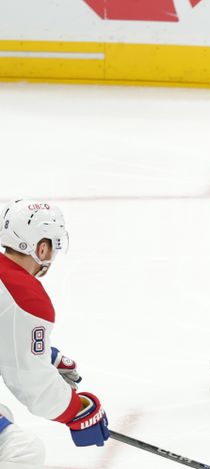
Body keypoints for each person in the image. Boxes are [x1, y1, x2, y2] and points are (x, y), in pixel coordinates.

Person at [0, 200, 109, 467]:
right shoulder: (24, 295)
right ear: (42, 247)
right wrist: (76, 410)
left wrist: (42, 353)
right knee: (23, 451)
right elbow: (31, 383)